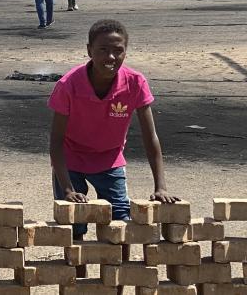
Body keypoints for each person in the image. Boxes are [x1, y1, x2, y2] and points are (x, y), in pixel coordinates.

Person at [49, 19, 178, 243]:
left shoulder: (135, 83)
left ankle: (118, 275)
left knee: (120, 224)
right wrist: (68, 189)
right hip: (72, 159)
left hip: (109, 160)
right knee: (74, 225)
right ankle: (76, 275)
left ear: (125, 52)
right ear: (89, 51)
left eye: (118, 51)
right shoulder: (68, 85)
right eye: (103, 50)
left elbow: (150, 137)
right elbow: (56, 141)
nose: (111, 57)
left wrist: (161, 187)